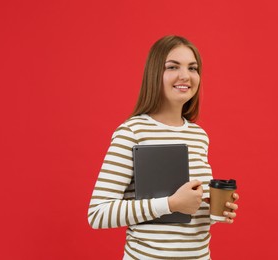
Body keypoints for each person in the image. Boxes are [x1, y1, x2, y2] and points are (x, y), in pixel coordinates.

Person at [88, 35, 239, 259]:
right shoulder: (132, 132)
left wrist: (215, 210)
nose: (185, 76)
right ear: (154, 74)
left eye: (193, 68)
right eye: (173, 67)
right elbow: (98, 214)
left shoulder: (198, 135)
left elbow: (184, 222)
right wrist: (170, 204)